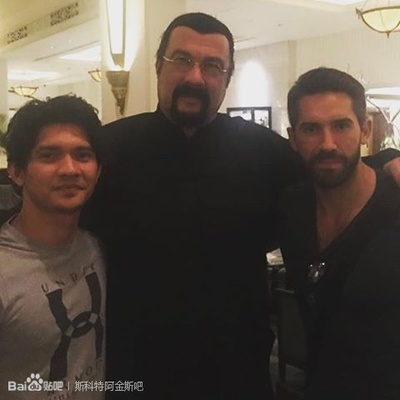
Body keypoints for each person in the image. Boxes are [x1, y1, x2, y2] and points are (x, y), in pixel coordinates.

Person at [83, 13, 399, 399]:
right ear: (158, 66)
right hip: (135, 373)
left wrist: (389, 160)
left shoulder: (263, 151)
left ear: (227, 78)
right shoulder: (108, 151)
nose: (195, 77)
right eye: (182, 59)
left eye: (213, 66)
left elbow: (328, 161)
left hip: (237, 374)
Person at [280, 67, 400, 400]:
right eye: (311, 129)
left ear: (365, 130)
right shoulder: (290, 208)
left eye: (341, 126)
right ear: (293, 138)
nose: (328, 144)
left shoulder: (395, 204)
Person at [0, 95, 106, 400]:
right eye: (49, 156)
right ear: (16, 171)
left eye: (83, 155)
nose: (70, 169)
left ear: (98, 170)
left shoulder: (95, 247)